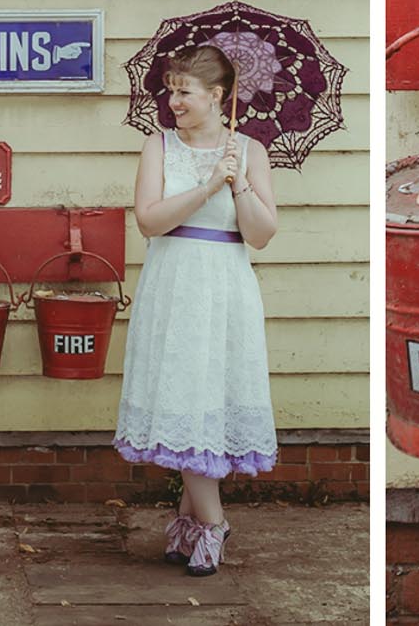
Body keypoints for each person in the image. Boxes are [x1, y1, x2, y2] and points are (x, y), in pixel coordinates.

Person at [115, 36, 281, 577]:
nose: (175, 102)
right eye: (171, 91)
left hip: (225, 288)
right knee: (184, 399)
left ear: (218, 95)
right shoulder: (158, 147)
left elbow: (260, 236)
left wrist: (239, 188)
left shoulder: (250, 151)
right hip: (174, 286)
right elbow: (149, 220)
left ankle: (199, 524)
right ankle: (209, 523)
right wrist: (208, 184)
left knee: (208, 400)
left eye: (185, 92)